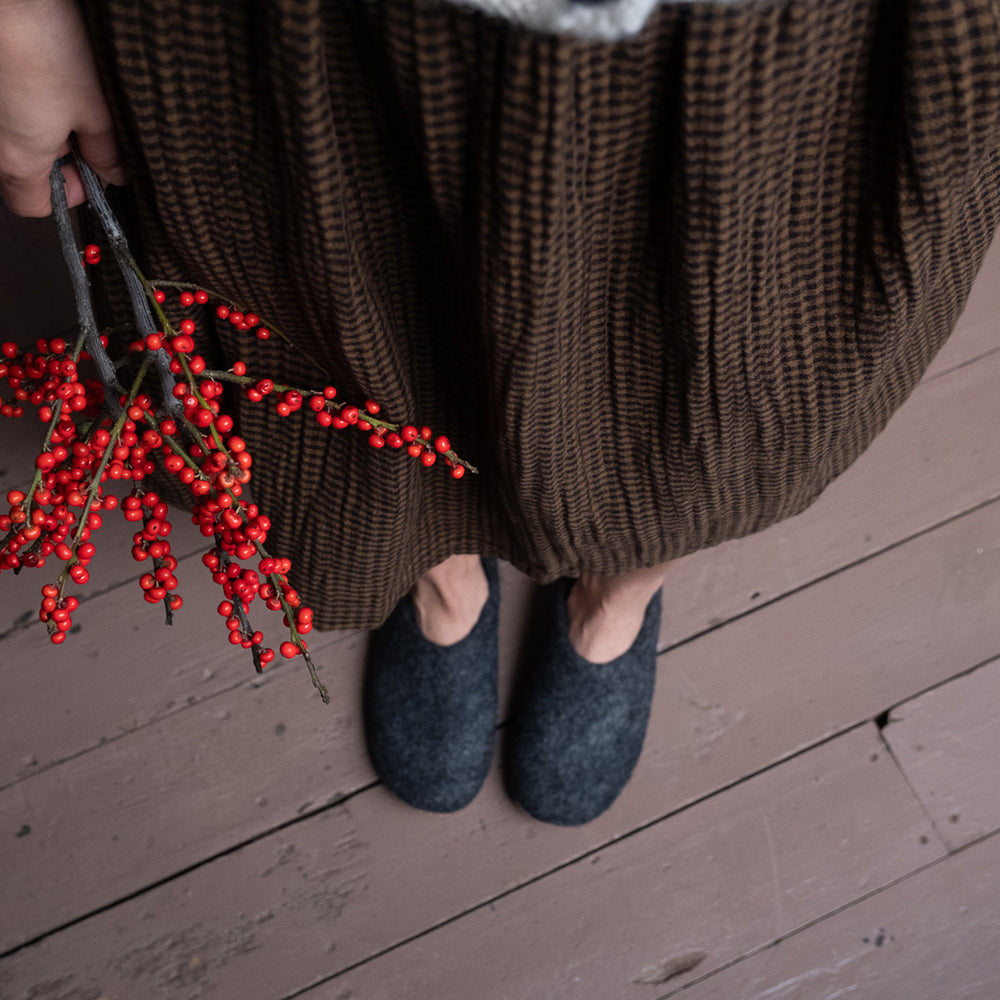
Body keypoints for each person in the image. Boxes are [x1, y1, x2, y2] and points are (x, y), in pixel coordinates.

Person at [2, 0, 998, 825]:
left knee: (731, 388)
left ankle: (617, 593)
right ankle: (438, 575)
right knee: (344, 342)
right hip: (314, 27)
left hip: (780, 33)